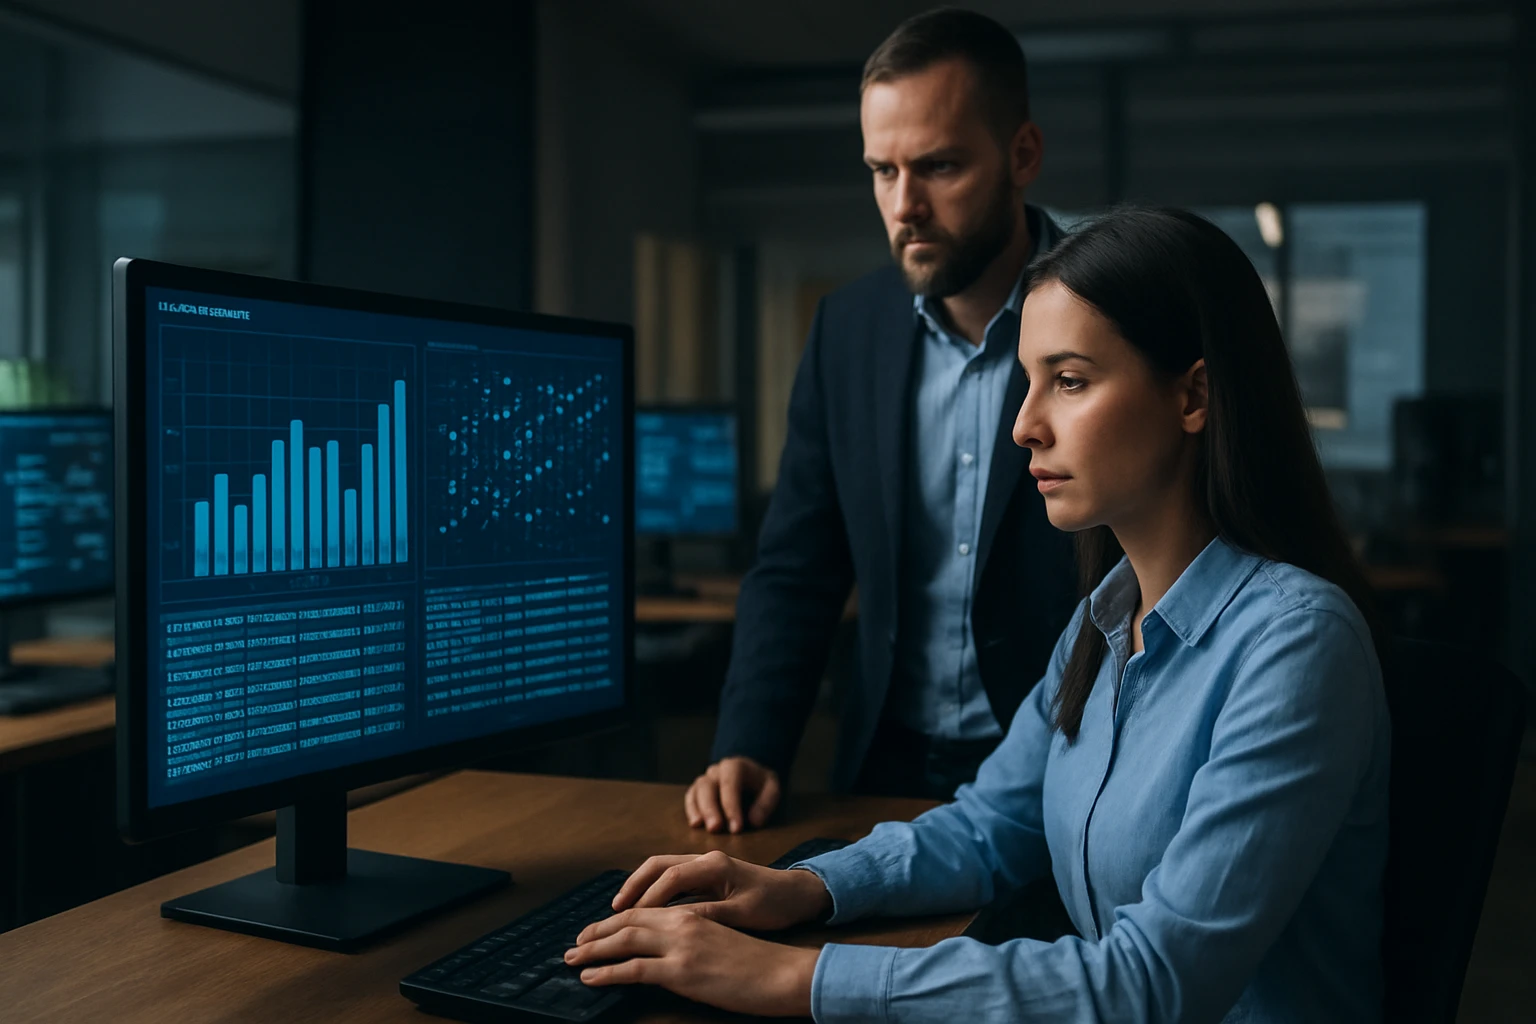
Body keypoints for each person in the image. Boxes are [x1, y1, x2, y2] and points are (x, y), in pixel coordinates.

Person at [565, 206, 1393, 1023]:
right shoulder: (1102, 623)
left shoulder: (1295, 647)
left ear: (1194, 395)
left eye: (1068, 381)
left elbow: (1152, 985)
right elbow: (992, 827)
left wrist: (792, 980)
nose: (1023, 425)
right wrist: (802, 889)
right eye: (1027, 381)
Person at [689, 8, 1078, 834]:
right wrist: (750, 741)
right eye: (882, 171)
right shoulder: (848, 328)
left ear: (1023, 156)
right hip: (881, 760)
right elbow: (798, 564)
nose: (906, 206)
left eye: (938, 167)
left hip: (1067, 763)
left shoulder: (1106, 316)